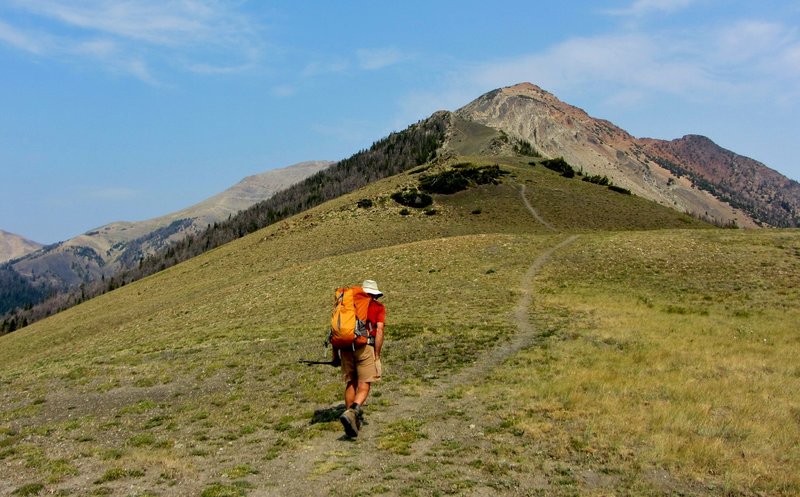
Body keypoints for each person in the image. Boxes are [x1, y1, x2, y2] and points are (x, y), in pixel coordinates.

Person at [332, 279, 385, 437]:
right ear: (374, 293)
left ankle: (350, 420)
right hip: (364, 347)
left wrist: (335, 355)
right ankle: (353, 411)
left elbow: (336, 331)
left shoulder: (346, 306)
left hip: (346, 348)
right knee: (364, 384)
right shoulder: (377, 306)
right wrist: (377, 354)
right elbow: (380, 331)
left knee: (351, 382)